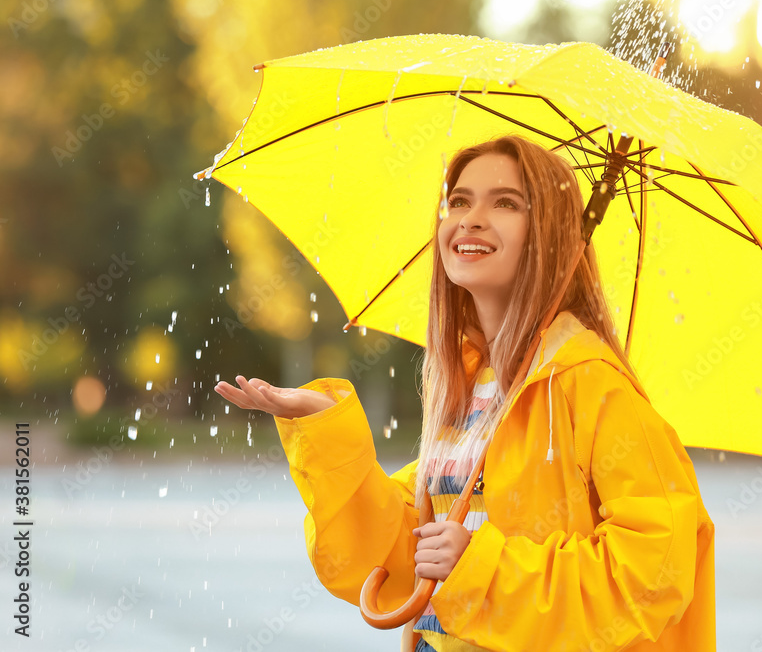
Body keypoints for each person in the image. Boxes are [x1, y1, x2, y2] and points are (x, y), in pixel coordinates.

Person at [214, 135, 716, 651]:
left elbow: (654, 574)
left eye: (505, 203)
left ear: (550, 235)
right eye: (459, 200)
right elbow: (393, 553)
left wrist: (480, 566)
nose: (471, 218)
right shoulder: (468, 387)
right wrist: (330, 433)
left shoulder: (592, 385)